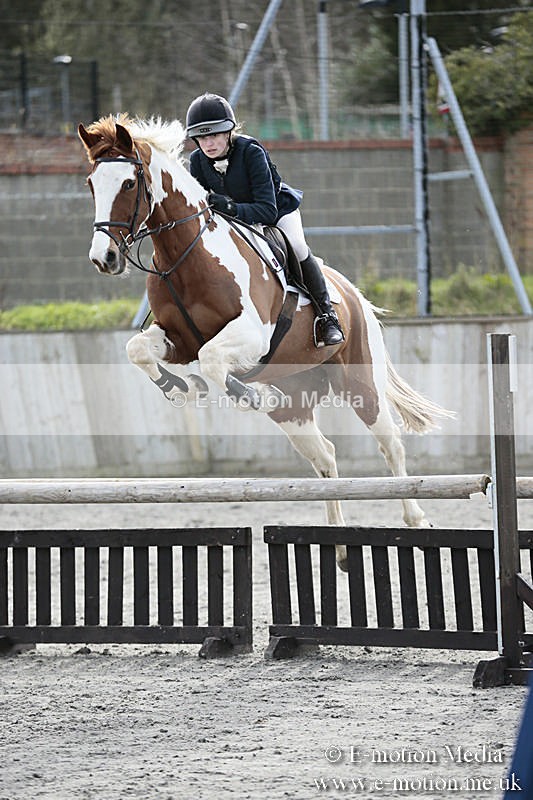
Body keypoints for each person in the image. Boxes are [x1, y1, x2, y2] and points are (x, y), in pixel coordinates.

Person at [185, 92, 344, 348]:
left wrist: (231, 208)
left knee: (297, 245)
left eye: (214, 135)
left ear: (228, 132)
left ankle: (327, 316)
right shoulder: (197, 161)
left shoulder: (251, 151)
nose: (208, 143)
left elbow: (267, 210)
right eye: (202, 137)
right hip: (234, 221)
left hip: (276, 213)